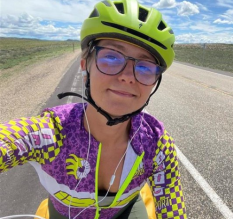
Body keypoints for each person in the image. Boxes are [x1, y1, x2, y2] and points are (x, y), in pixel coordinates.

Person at [0, 0, 187, 218]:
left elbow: (172, 208)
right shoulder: (50, 134)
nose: (127, 76)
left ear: (154, 82)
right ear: (85, 65)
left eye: (144, 66)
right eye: (111, 57)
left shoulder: (156, 144)